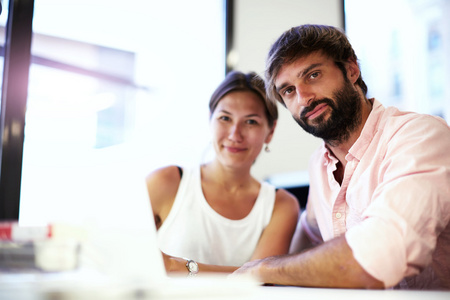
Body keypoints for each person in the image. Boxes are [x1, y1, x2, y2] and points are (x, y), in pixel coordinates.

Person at [232, 24, 450, 290]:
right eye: (288, 90)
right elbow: (309, 233)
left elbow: (380, 254)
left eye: (313, 75)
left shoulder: (419, 136)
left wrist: (265, 268)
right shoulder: (319, 164)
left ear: (351, 69)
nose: (303, 98)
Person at [146, 71, 300, 275]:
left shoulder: (280, 205)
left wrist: (181, 267)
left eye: (251, 121)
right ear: (210, 120)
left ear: (270, 132)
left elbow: (264, 279)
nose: (235, 134)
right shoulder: (166, 182)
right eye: (225, 118)